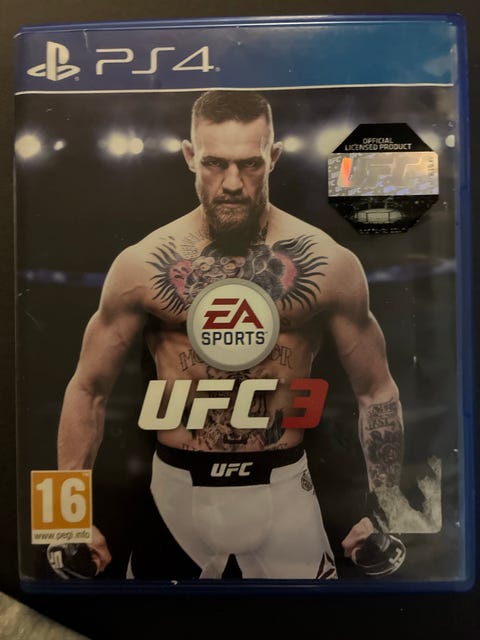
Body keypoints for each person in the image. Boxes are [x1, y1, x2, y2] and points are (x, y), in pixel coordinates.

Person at [56, 90, 404, 580]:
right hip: (174, 496)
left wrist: (388, 511)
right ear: (190, 156)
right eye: (215, 163)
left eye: (250, 164)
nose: (233, 183)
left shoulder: (329, 264)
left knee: (312, 620)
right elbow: (87, 389)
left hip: (286, 492)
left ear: (274, 157)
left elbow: (377, 390)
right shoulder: (141, 264)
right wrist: (63, 521)